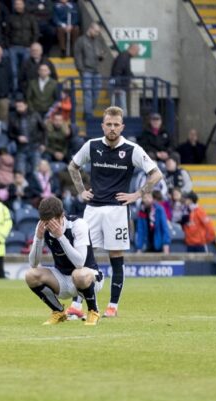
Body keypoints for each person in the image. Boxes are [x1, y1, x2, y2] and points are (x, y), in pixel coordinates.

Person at [67, 106, 162, 318]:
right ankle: (77, 305)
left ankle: (112, 306)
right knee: (83, 257)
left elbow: (156, 175)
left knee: (116, 257)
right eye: (108, 124)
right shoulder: (91, 146)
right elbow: (73, 167)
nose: (112, 128)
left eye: (116, 125)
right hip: (92, 209)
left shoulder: (132, 149)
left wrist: (136, 194)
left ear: (122, 126)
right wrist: (81, 191)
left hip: (117, 211)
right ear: (102, 125)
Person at [26, 195, 103, 326]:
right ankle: (58, 312)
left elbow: (79, 263)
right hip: (62, 278)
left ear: (62, 215)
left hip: (88, 277)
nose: (49, 226)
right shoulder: (42, 226)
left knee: (79, 274)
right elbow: (33, 263)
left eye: (52, 221)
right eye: (45, 222)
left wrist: (60, 237)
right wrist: (38, 238)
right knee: (31, 275)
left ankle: (93, 311)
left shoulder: (78, 225)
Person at [74, 23, 106, 119]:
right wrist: (81, 70)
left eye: (98, 32)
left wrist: (102, 56)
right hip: (86, 70)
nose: (97, 34)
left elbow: (101, 53)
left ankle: (89, 111)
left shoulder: (98, 41)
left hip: (97, 70)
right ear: (90, 28)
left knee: (96, 92)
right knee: (87, 93)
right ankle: (88, 114)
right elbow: (77, 56)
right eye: (96, 31)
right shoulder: (81, 40)